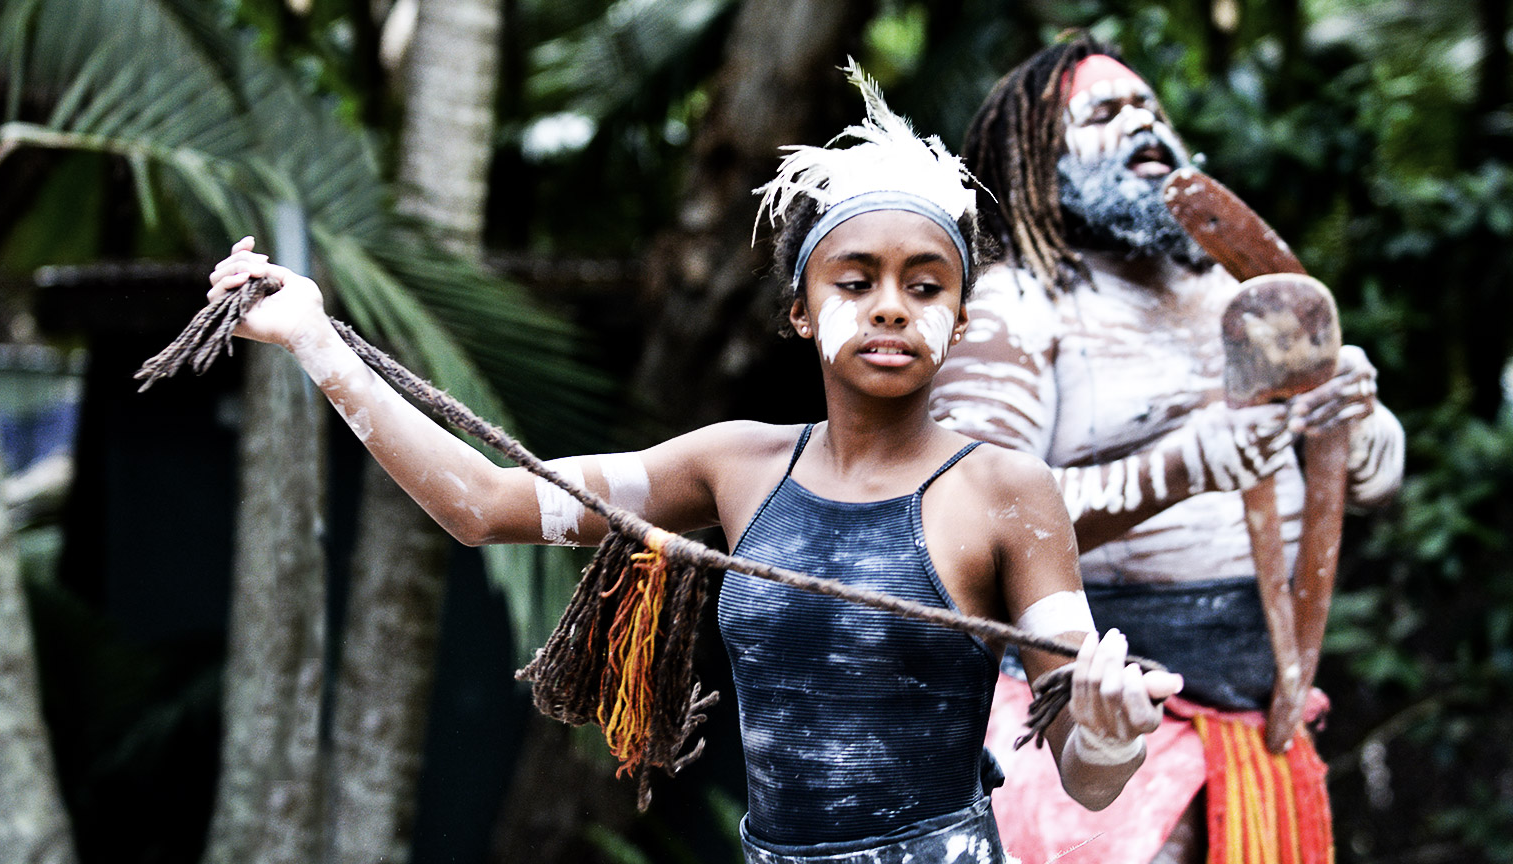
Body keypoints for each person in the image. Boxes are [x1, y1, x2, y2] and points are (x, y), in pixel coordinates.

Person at [205, 66, 1182, 863]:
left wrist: (1107, 728)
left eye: (925, 285)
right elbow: (487, 504)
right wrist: (317, 343)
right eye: (857, 279)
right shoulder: (734, 466)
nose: (891, 305)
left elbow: (1087, 775)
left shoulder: (1007, 492)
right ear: (802, 309)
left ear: (958, 319)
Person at [930, 36, 1405, 864]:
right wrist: (1179, 470)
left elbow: (1375, 482)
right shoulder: (1017, 303)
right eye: (1106, 113)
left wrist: (1356, 428)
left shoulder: (1232, 288)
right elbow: (964, 525)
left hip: (1263, 714)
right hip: (1100, 716)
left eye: (1152, 109)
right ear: (1034, 156)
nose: (1145, 124)